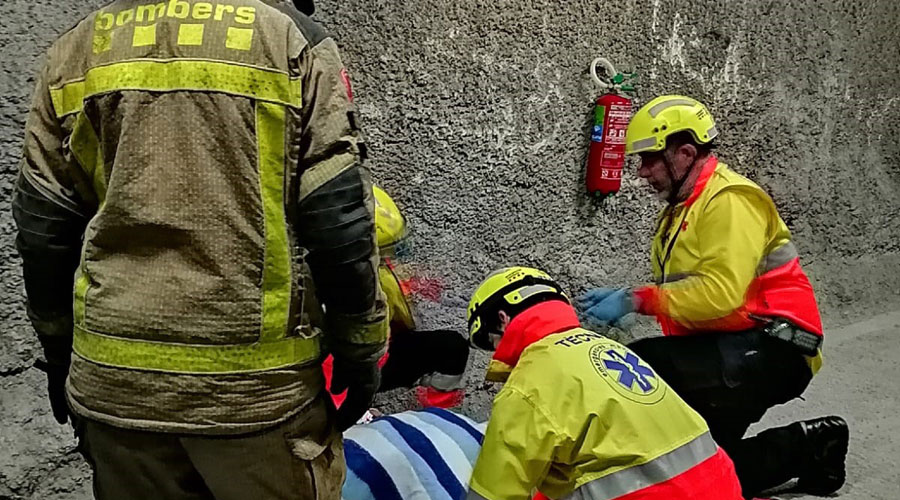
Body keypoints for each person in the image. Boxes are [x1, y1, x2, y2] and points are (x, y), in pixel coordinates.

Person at [12, 0, 387, 498]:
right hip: (254, 398)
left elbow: (44, 226)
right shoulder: (289, 38)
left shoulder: (79, 47)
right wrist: (362, 351)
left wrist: (59, 351)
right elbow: (337, 217)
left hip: (117, 392)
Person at [579, 95, 849, 497]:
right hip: (737, 349)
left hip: (776, 348)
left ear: (685, 153)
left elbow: (722, 296)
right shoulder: (684, 206)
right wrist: (632, 297)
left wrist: (637, 299)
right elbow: (694, 291)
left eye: (650, 159)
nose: (641, 172)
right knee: (694, 474)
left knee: (643, 368)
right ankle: (808, 445)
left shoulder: (730, 200)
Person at [464, 267, 743, 500]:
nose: (499, 351)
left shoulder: (527, 385)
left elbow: (493, 494)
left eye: (493, 343)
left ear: (503, 320)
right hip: (723, 485)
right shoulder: (608, 349)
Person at [322, 185, 470, 414]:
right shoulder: (322, 289)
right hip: (337, 373)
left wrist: (439, 290)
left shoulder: (366, 261)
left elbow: (401, 278)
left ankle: (438, 418)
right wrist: (352, 414)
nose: (388, 260)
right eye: (382, 254)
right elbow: (329, 365)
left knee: (451, 348)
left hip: (378, 350)